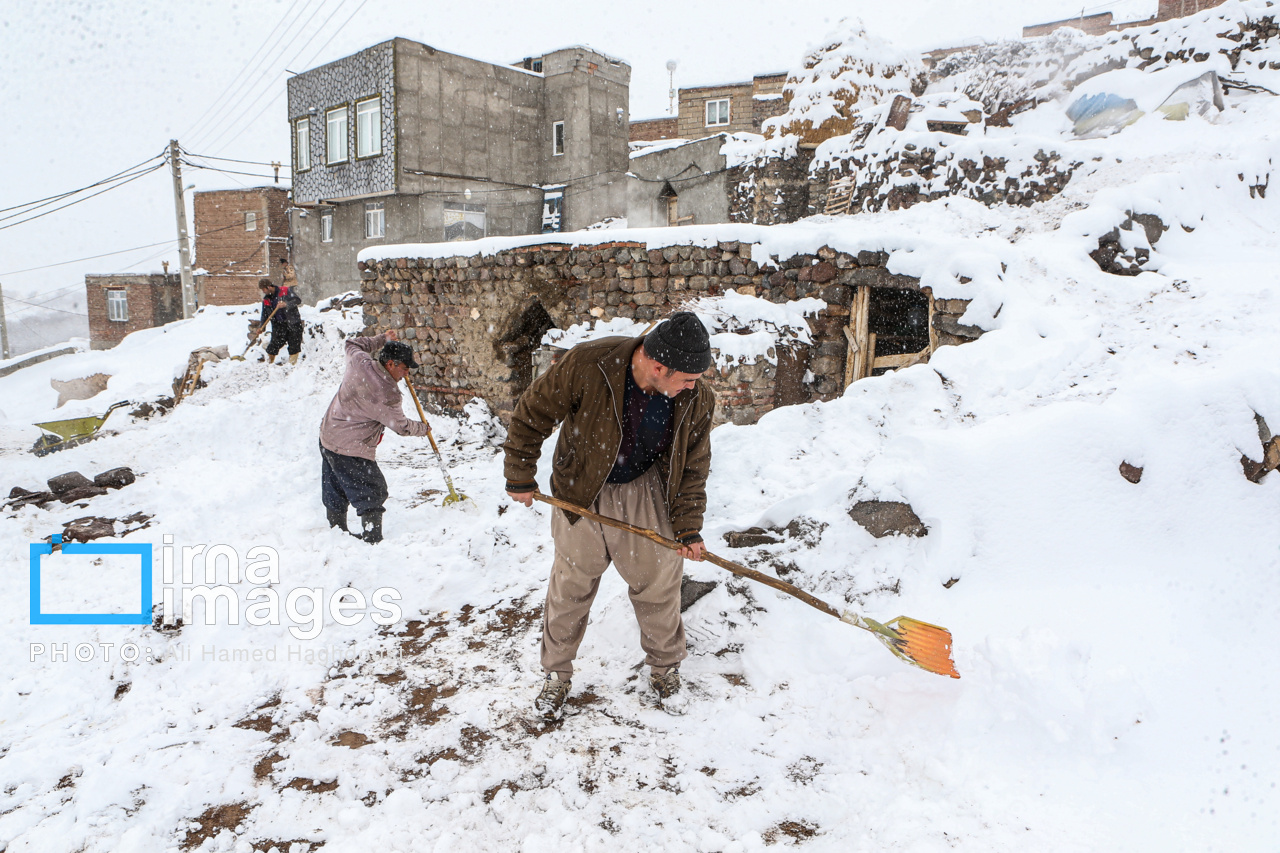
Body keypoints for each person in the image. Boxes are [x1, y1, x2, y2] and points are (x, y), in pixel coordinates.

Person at [504, 312, 716, 718]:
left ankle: (664, 668)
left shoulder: (695, 398)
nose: (694, 386)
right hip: (581, 487)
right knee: (571, 587)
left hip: (645, 490)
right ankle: (556, 675)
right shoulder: (590, 364)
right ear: (658, 366)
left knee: (659, 586)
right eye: (687, 378)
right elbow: (533, 411)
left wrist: (688, 527)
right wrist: (519, 474)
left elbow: (694, 465)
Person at [318, 329, 431, 543]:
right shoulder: (386, 393)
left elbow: (352, 343)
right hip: (352, 448)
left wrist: (381, 339)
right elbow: (401, 426)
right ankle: (372, 539)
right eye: (405, 368)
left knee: (336, 485)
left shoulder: (360, 361)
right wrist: (423, 428)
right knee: (372, 490)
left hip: (328, 435)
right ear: (391, 364)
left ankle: (337, 532)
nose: (406, 374)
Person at [257, 263, 303, 364]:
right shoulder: (266, 300)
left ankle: (292, 365)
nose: (263, 291)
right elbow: (265, 314)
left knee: (294, 345)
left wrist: (286, 304)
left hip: (293, 322)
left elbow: (297, 300)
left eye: (264, 289)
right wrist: (261, 327)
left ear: (269, 287)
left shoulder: (285, 290)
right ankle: (270, 363)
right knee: (273, 345)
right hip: (279, 325)